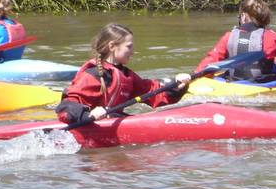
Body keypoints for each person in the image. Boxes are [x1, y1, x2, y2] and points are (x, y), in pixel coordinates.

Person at [55, 23, 191, 126]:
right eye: (129, 46)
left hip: (114, 120)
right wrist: (87, 115)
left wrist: (176, 86)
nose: (132, 52)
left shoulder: (127, 75)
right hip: (89, 126)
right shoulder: (93, 74)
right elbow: (66, 106)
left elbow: (153, 93)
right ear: (112, 46)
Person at [196, 0, 276, 83]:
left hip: (234, 86)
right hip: (263, 88)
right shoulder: (273, 37)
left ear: (243, 16)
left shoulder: (228, 37)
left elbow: (209, 64)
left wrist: (196, 76)